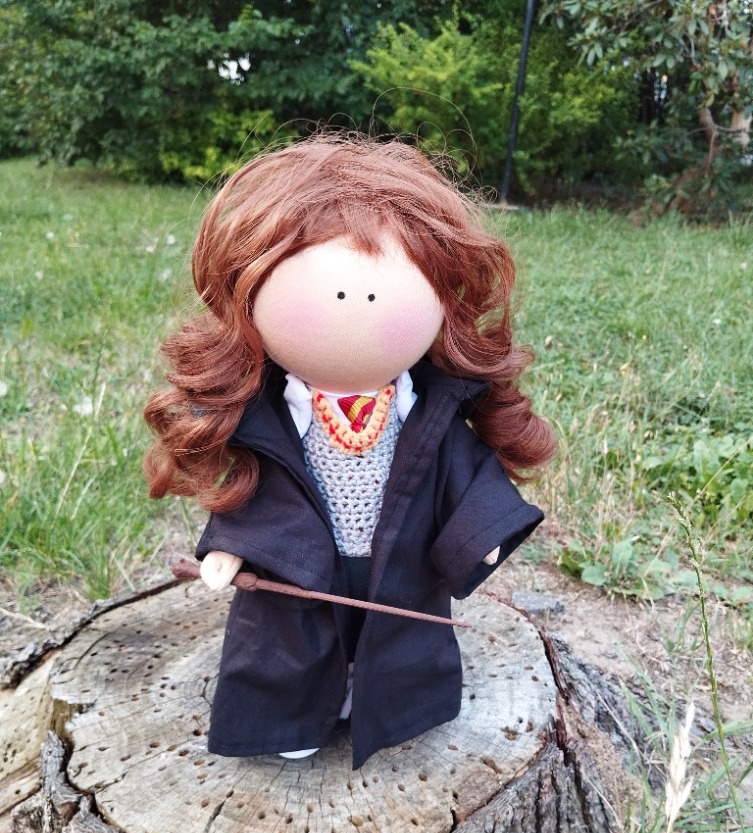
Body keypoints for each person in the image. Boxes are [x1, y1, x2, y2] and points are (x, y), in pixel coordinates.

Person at [144, 135, 556, 769]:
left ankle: (385, 703)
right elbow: (257, 484)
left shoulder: (430, 413)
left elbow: (467, 476)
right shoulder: (270, 419)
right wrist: (229, 546)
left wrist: (481, 534)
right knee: (293, 643)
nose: (355, 302)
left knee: (397, 635)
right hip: (300, 570)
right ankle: (296, 714)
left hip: (404, 562)